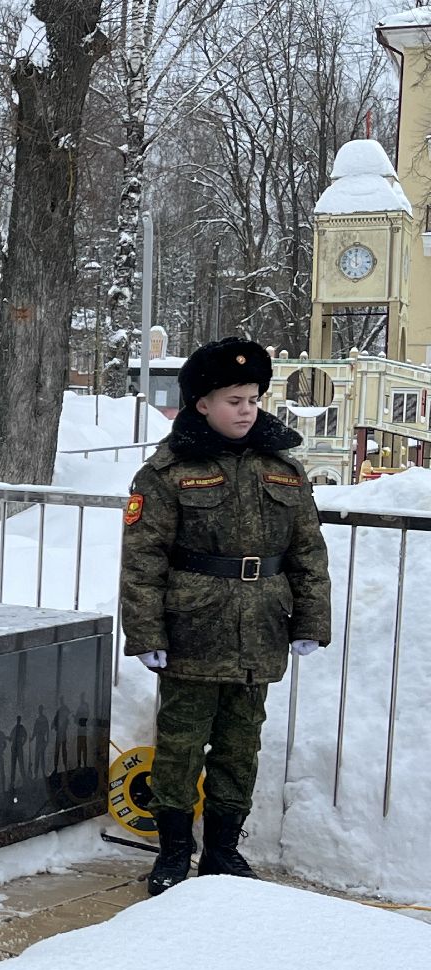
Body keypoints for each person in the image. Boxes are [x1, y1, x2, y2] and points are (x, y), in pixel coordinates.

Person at [120, 337, 330, 897]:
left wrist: (310, 621)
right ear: (201, 405)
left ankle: (221, 851)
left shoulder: (283, 469)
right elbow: (142, 560)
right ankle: (172, 853)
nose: (246, 409)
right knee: (181, 745)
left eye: (253, 398)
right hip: (193, 629)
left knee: (241, 745)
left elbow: (309, 552)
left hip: (261, 629)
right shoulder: (166, 472)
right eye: (233, 399)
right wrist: (144, 631)